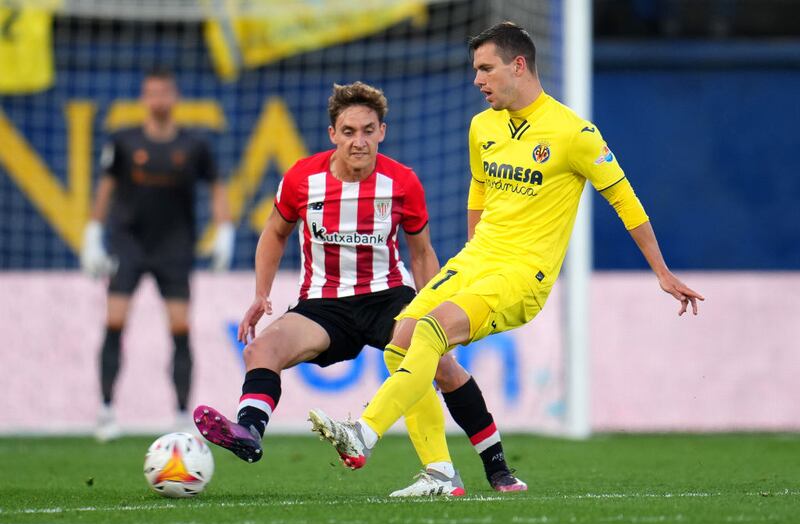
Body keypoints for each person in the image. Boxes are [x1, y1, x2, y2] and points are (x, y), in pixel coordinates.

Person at [309, 22, 705, 471]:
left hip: (523, 274)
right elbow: (478, 193)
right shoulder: (483, 126)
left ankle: (363, 432)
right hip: (478, 258)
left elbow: (624, 200)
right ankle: (440, 472)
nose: (477, 80)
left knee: (431, 330)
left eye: (486, 68)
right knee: (401, 340)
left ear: (519, 66)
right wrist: (472, 252)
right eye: (476, 69)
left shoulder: (575, 134)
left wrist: (662, 272)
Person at [193, 81, 527, 497]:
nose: (359, 141)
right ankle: (249, 430)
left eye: (368, 130)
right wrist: (261, 295)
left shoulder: (402, 182)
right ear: (332, 134)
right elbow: (274, 234)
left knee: (440, 365)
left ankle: (496, 470)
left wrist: (439, 311)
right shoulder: (301, 178)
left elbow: (422, 254)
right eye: (349, 132)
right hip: (323, 304)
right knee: (261, 350)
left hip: (387, 297)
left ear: (382, 132)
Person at [81, 68, 235, 442]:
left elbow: (216, 187)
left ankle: (182, 414)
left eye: (164, 92)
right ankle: (105, 411)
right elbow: (106, 187)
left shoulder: (195, 144)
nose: (158, 100)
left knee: (180, 330)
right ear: (143, 98)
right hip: (129, 244)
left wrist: (225, 228)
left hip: (175, 247)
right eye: (151, 93)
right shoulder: (123, 141)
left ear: (175, 96)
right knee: (114, 323)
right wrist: (92, 232)